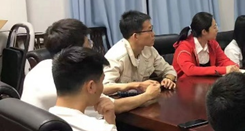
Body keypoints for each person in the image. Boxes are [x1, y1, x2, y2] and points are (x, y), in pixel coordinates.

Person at [22, 18, 160, 113]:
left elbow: (94, 90)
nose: (91, 48)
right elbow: (115, 106)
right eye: (88, 44)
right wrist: (148, 95)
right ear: (76, 52)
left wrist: (129, 86)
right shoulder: (69, 85)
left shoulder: (40, 68)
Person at [104, 11, 176, 98]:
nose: (153, 34)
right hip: (121, 102)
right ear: (135, 36)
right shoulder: (116, 56)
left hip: (143, 99)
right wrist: (134, 85)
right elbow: (103, 88)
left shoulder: (149, 49)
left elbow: (168, 70)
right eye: (150, 30)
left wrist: (168, 79)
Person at [173, 12, 239, 77]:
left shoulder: (213, 43)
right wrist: (223, 70)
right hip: (185, 82)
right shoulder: (184, 47)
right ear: (204, 32)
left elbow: (223, 60)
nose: (217, 30)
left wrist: (233, 67)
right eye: (214, 27)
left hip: (207, 82)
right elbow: (190, 70)